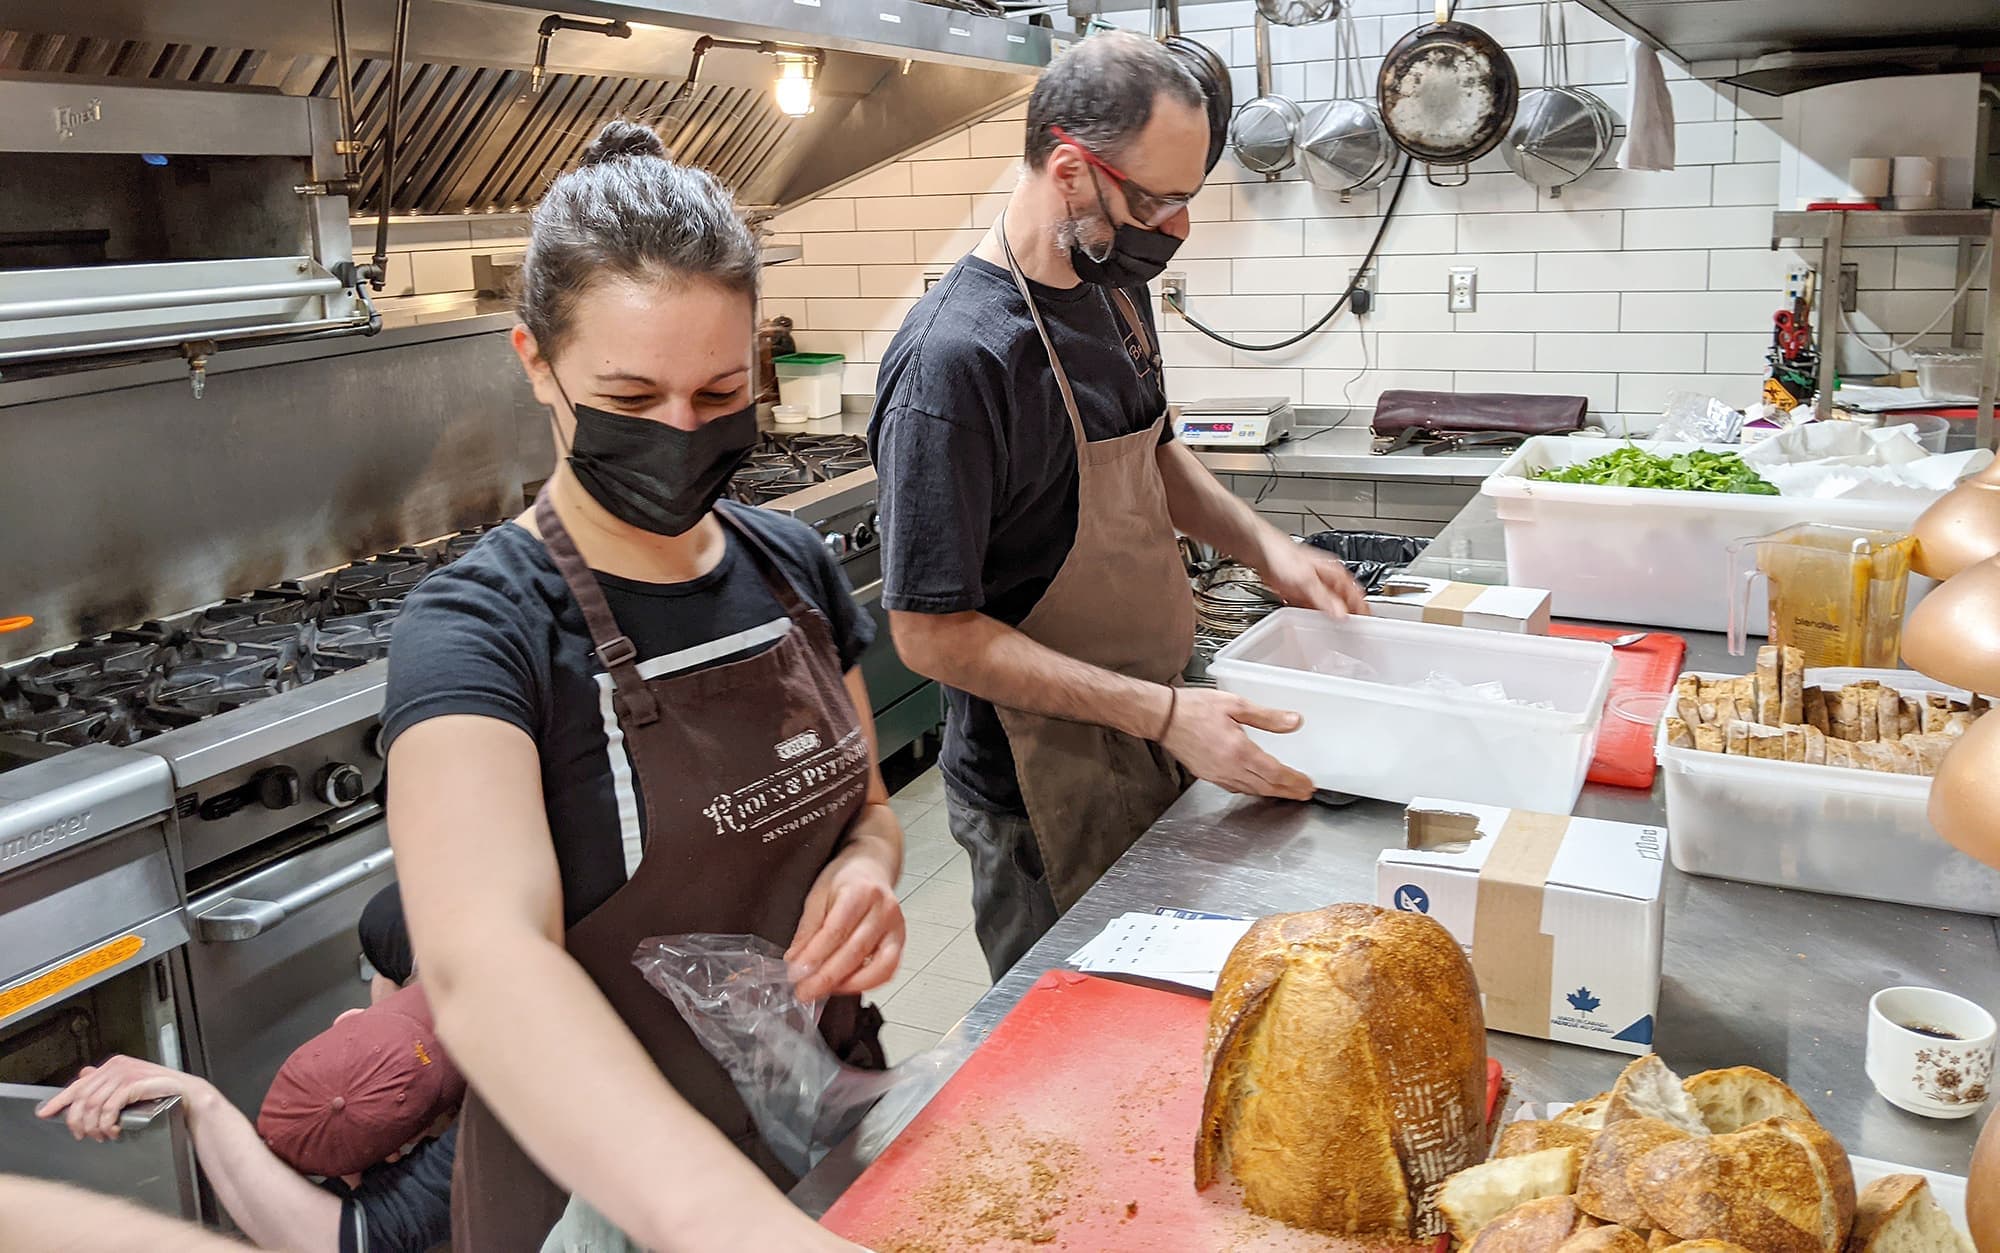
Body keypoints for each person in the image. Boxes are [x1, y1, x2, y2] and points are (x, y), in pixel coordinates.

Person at [380, 119, 903, 1253]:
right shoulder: (479, 629)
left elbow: (866, 807)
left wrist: (867, 870)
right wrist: (711, 1214)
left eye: (719, 393)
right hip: (597, 1207)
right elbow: (485, 960)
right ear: (534, 362)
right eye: (631, 395)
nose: (680, 431)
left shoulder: (790, 564)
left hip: (819, 1134)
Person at [868, 30, 1367, 980]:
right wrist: (1164, 713)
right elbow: (931, 636)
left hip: (1155, 723)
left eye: (1186, 200)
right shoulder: (955, 363)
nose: (1175, 228)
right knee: (1077, 1051)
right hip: (1040, 783)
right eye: (1156, 201)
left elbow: (1157, 454)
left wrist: (1269, 550)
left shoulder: (1110, 290)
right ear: (1068, 169)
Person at [36, 897, 457, 1253]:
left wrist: (203, 1104)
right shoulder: (420, 928)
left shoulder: (496, 1125)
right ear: (350, 1019)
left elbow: (353, 1241)